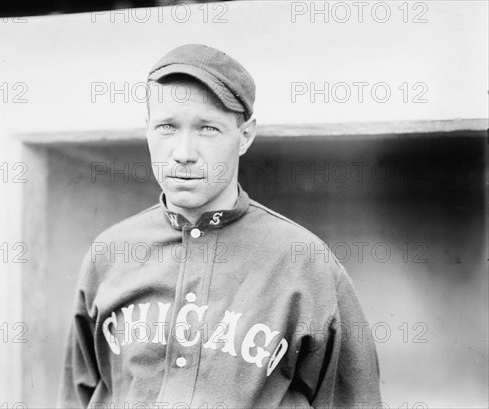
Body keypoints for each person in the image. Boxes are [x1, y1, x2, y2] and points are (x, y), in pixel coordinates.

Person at [58, 43, 381, 408]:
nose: (184, 151)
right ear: (146, 129)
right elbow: (77, 396)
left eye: (208, 128)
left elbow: (356, 401)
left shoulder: (305, 262)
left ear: (245, 136)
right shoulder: (109, 253)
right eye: (167, 127)